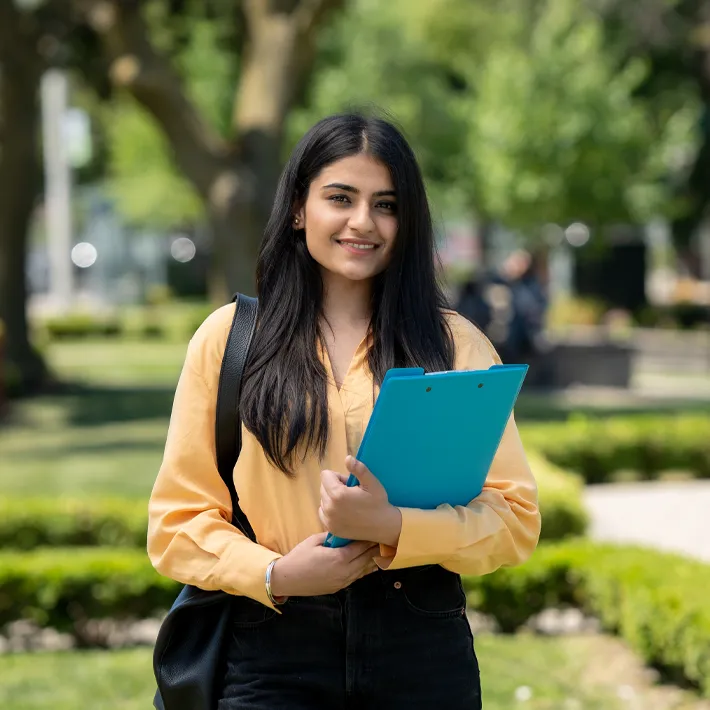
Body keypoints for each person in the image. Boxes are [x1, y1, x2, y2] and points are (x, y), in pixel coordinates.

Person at [148, 113, 541, 709]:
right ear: (300, 208)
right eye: (340, 198)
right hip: (270, 651)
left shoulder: (455, 346)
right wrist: (275, 574)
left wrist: (394, 528)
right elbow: (176, 523)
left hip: (420, 648)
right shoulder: (229, 340)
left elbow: (514, 518)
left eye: (385, 204)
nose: (363, 222)